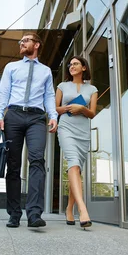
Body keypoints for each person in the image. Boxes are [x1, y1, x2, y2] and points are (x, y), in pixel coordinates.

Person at [0, 32, 58, 228]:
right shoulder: (11, 67)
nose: (22, 43)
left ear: (37, 45)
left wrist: (53, 115)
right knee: (13, 165)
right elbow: (4, 92)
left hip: (37, 117)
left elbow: (49, 95)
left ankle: (34, 213)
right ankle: (14, 213)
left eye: (26, 40)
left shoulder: (46, 71)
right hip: (13, 115)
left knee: (37, 160)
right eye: (21, 41)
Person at [55, 56, 97, 229]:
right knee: (73, 164)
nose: (72, 66)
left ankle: (69, 208)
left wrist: (83, 109)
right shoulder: (62, 86)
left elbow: (92, 113)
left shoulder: (92, 89)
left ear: (84, 67)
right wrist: (68, 108)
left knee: (77, 169)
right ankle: (82, 209)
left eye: (76, 64)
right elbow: (55, 108)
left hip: (83, 131)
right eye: (70, 64)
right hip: (66, 128)